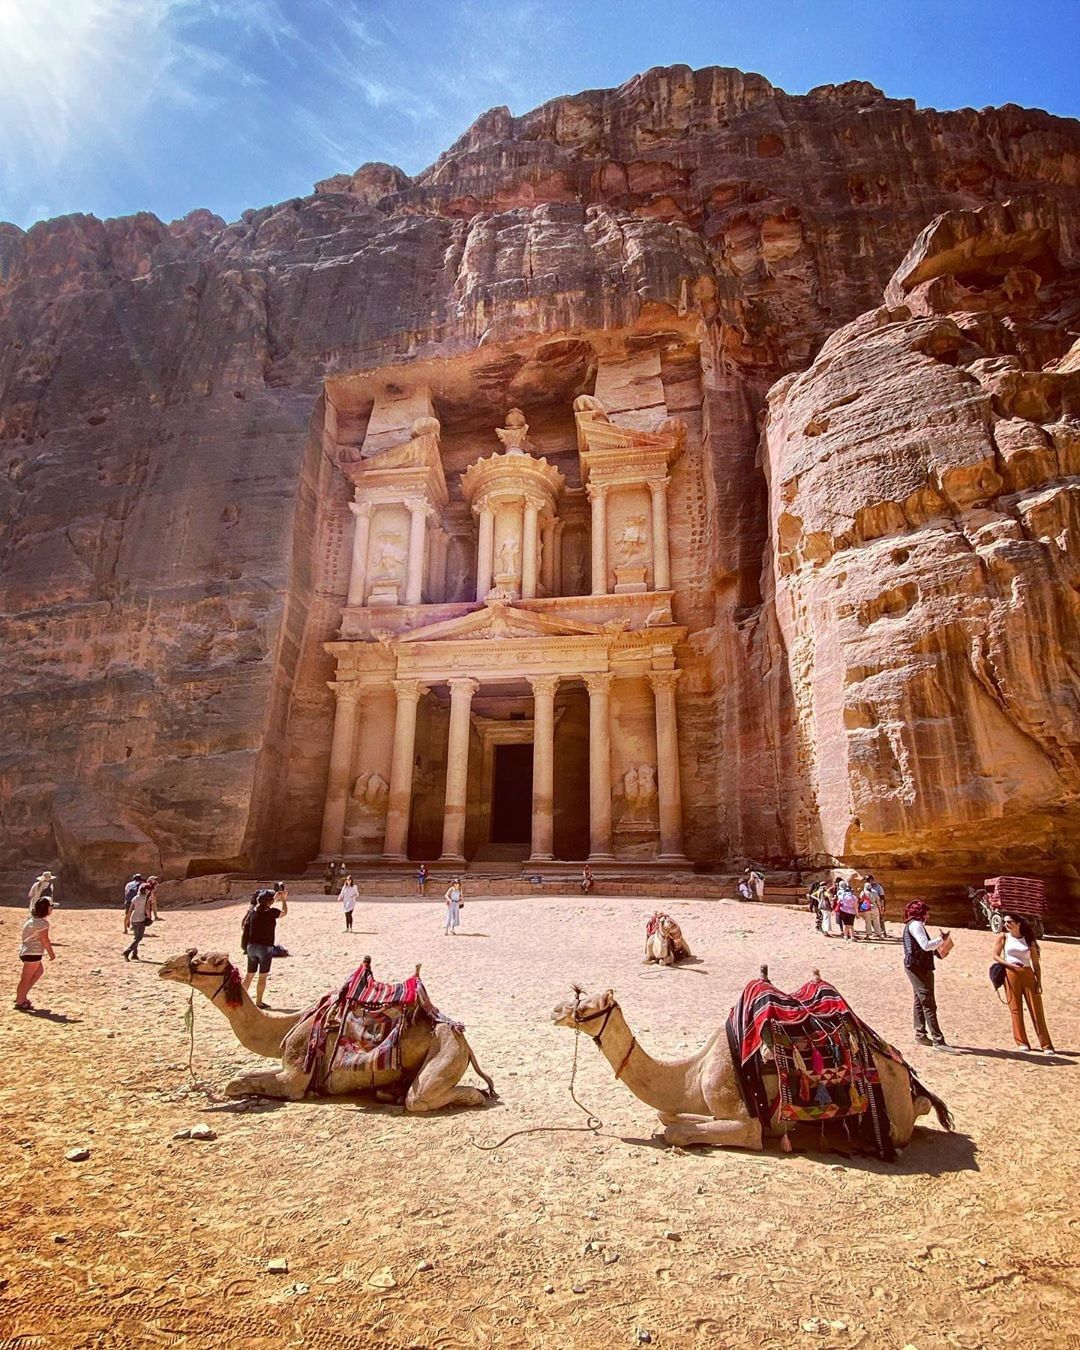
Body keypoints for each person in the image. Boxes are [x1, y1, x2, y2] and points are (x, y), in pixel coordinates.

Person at [994, 914, 1055, 1053]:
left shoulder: (1028, 940)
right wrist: (1008, 964)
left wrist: (1038, 981)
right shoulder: (1003, 937)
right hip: (1010, 974)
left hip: (1027, 973)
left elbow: (1035, 963)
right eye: (1005, 922)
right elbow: (995, 955)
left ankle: (1045, 1044)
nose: (1006, 924)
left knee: (1036, 1009)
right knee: (1015, 1009)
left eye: (1009, 922)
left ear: (1018, 923)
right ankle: (1021, 1042)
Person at [902, 900, 956, 1051]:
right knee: (927, 1001)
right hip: (918, 968)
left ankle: (920, 1034)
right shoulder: (916, 925)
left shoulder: (913, 925)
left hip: (916, 966)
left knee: (920, 1000)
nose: (928, 915)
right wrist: (942, 940)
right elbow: (925, 945)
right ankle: (938, 1040)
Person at [242, 888, 287, 1008]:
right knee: (262, 977)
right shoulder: (272, 912)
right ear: (269, 902)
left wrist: (273, 899)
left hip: (251, 946)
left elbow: (261, 905)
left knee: (249, 975)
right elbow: (284, 912)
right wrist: (284, 900)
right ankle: (259, 1002)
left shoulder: (254, 912)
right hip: (265, 948)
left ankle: (240, 999)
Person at [16, 896, 56, 1010]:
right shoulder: (42, 923)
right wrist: (51, 953)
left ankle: (21, 995)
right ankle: (20, 1000)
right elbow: (45, 940)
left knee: (38, 972)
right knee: (26, 978)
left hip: (27, 951)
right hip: (33, 952)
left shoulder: (32, 920)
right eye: (51, 907)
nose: (52, 909)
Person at [123, 882, 152, 960]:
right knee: (139, 938)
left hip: (133, 919)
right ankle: (127, 951)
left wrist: (128, 920)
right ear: (147, 890)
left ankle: (134, 954)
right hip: (141, 919)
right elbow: (147, 908)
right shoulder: (147, 898)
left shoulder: (135, 898)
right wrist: (149, 918)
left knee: (136, 937)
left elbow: (130, 910)